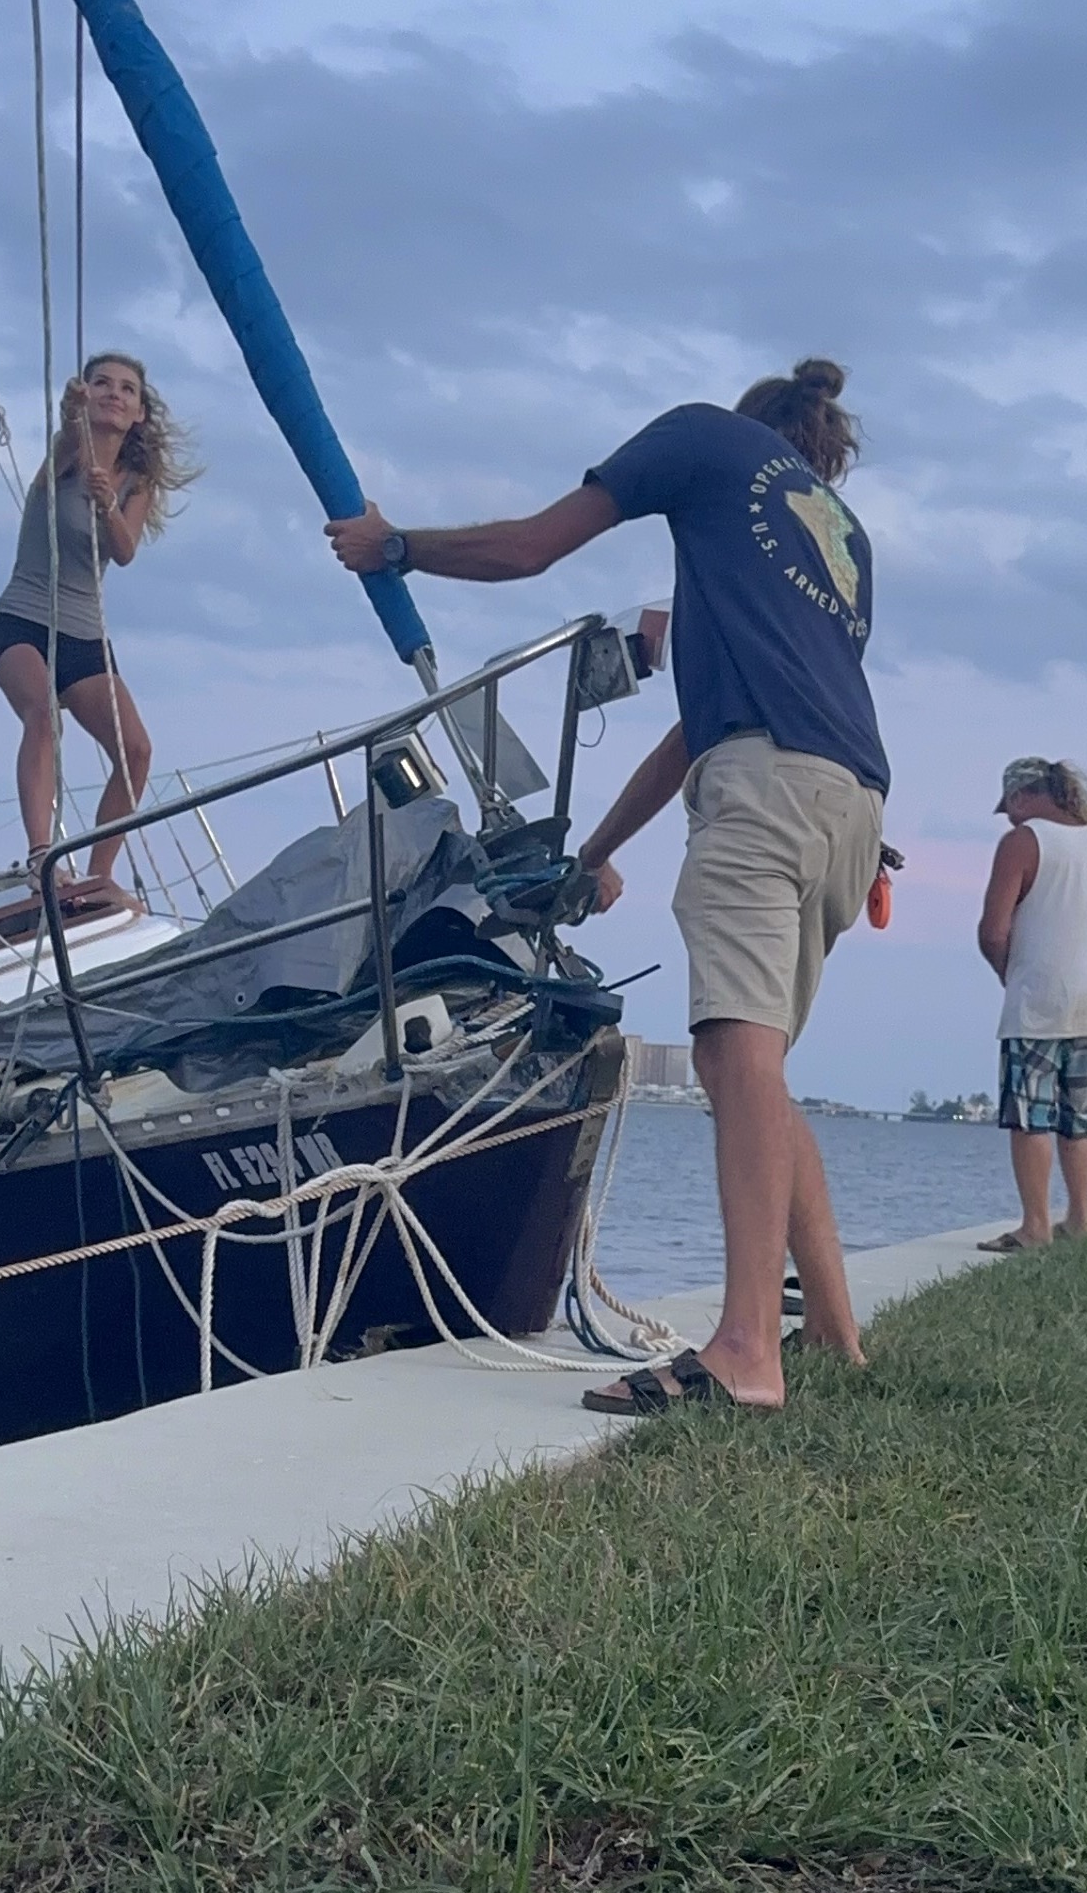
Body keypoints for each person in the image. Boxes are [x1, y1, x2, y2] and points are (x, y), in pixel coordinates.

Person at [325, 359, 888, 1408]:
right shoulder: (840, 544)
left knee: (734, 1050)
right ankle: (838, 1342)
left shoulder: (702, 439)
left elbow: (533, 546)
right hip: (852, 803)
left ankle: (745, 1355)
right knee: (752, 1069)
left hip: (766, 788)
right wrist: (592, 853)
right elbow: (700, 723)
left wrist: (394, 547)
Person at [0, 351, 195, 896]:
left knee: (137, 751)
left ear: (139, 412)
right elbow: (65, 433)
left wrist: (107, 506)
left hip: (84, 637)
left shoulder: (135, 483)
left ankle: (98, 875)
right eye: (102, 384)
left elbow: (123, 551)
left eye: (126, 389)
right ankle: (40, 861)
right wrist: (69, 411)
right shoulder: (67, 455)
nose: (113, 394)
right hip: (23, 623)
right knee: (41, 715)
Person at [975, 757, 1087, 1250]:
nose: (1009, 818)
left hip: (1038, 1001)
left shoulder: (1023, 843)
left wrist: (1010, 975)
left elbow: (992, 930)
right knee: (1079, 1115)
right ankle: (1080, 1218)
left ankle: (1034, 1226)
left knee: (1030, 1115)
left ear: (1023, 796)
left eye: (1009, 807)